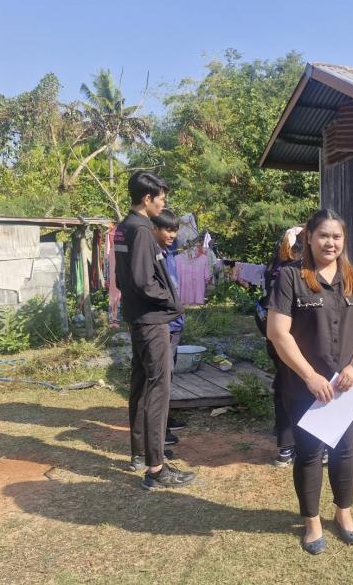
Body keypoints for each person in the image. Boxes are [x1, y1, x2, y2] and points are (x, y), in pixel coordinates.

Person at [266, 208, 353, 555]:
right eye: (323, 235)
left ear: (344, 240)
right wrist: (310, 376)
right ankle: (312, 520)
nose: (330, 242)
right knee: (309, 453)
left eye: (337, 236)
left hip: (347, 386)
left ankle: (344, 513)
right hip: (306, 387)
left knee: (345, 449)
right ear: (310, 238)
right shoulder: (291, 277)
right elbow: (277, 332)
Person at [115, 171, 195, 490]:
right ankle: (156, 469)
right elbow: (143, 281)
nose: (163, 204)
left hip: (137, 317)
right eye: (161, 198)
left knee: (140, 386)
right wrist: (172, 301)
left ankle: (140, 454)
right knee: (158, 389)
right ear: (147, 199)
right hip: (151, 321)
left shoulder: (124, 228)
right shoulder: (143, 231)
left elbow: (123, 278)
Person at [255, 224, 314, 467]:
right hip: (298, 340)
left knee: (283, 387)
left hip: (275, 340)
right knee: (306, 390)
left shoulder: (274, 267)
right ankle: (307, 445)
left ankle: (285, 447)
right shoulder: (299, 271)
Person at [151, 209, 187, 441]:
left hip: (175, 323)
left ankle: (165, 417)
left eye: (175, 230)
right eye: (168, 230)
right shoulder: (152, 254)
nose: (172, 235)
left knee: (168, 376)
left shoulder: (168, 252)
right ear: (154, 229)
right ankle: (158, 431)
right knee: (160, 378)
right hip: (163, 324)